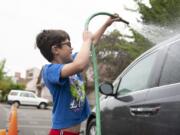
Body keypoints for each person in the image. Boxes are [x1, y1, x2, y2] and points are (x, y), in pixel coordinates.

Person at [36, 14, 121, 135]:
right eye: (68, 44)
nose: (72, 48)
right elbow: (80, 64)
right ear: (56, 50)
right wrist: (86, 40)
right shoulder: (49, 70)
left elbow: (91, 44)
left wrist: (106, 25)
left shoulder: (72, 62)